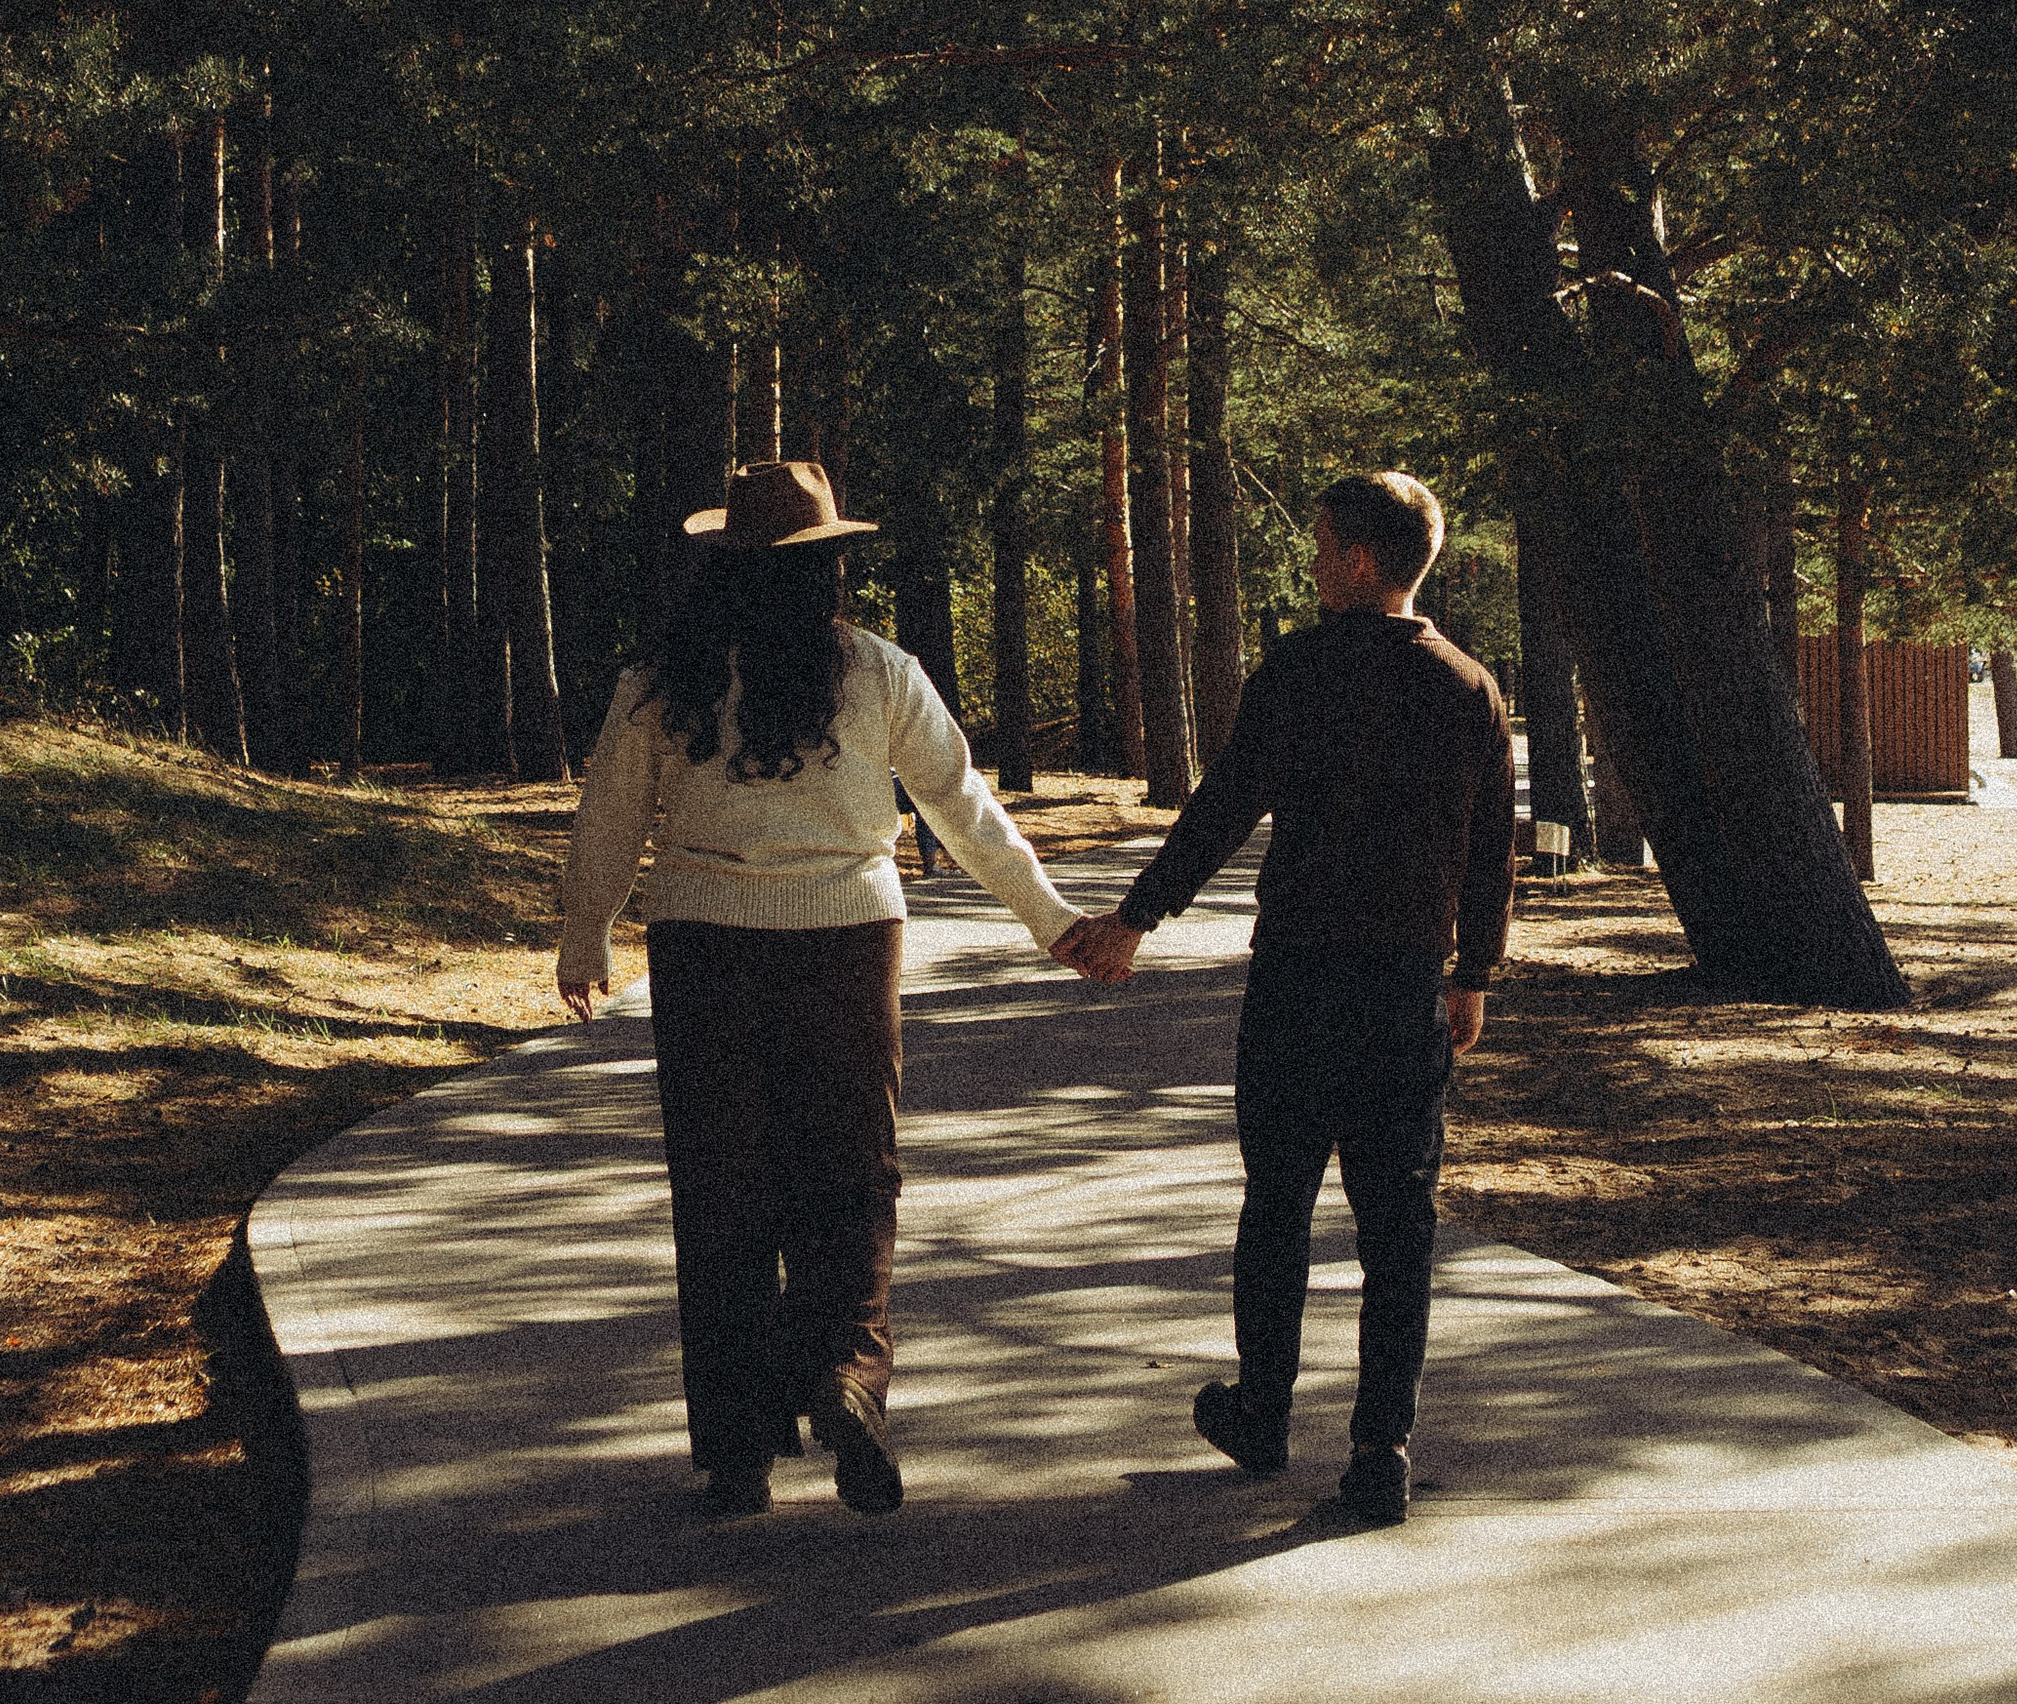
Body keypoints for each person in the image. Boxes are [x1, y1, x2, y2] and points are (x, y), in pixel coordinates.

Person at [555, 454, 1091, 1522]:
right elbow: (959, 803)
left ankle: (738, 1454)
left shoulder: (661, 682)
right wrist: (1052, 920)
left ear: (723, 570)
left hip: (706, 948)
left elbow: (610, 816)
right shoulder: (881, 672)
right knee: (852, 1178)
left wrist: (588, 935)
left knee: (723, 1193)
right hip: (849, 944)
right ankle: (848, 1375)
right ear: (829, 567)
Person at [1057, 470, 1516, 1529]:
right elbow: (1489, 853)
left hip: (1299, 981)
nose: (1311, 563)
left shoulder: (1300, 672)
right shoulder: (1469, 687)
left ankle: (1262, 1414)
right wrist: (1472, 975)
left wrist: (1136, 919)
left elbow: (1223, 808)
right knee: (1396, 1225)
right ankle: (1379, 1453)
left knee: (1277, 1205)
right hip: (1403, 987)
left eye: (1320, 546)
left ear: (1360, 561)